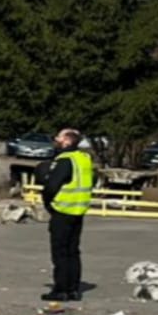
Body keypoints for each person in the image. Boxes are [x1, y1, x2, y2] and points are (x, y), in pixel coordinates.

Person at [41, 128, 94, 301]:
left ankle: (60, 289)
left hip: (63, 211)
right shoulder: (84, 158)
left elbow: (51, 186)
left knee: (60, 253)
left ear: (67, 141)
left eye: (58, 137)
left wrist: (48, 203)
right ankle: (73, 289)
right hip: (78, 211)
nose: (55, 139)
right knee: (73, 252)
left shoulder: (65, 160)